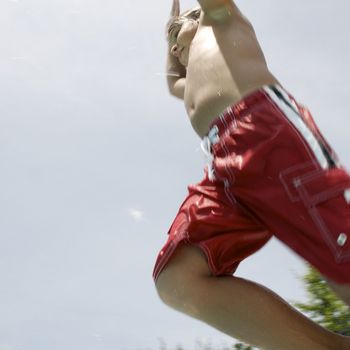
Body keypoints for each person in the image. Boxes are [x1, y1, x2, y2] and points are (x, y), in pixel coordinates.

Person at [153, 1, 350, 349]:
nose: (174, 47)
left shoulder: (221, 21)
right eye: (171, 44)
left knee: (339, 260)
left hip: (264, 131)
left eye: (177, 35)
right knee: (177, 280)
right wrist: (169, 30)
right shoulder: (188, 76)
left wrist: (183, 19)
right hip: (223, 166)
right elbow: (173, 86)